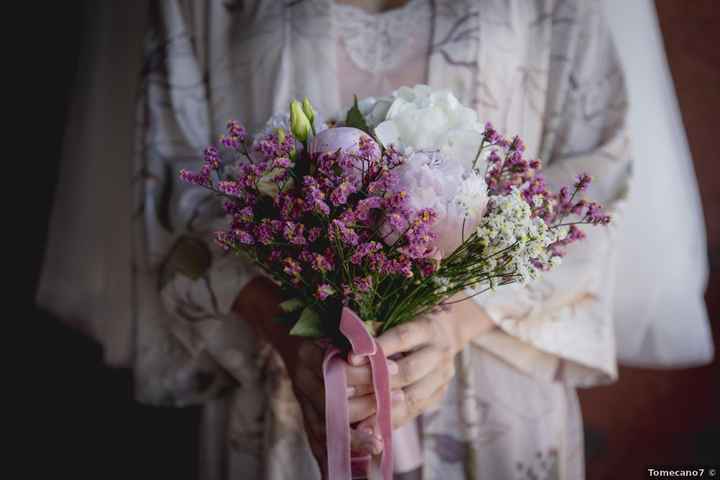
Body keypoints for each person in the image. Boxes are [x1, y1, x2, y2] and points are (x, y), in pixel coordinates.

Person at [35, 0, 711, 479]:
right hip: (288, 392)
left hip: (495, 398)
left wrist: (455, 325)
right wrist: (289, 334)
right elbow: (171, 181)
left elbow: (600, 174)